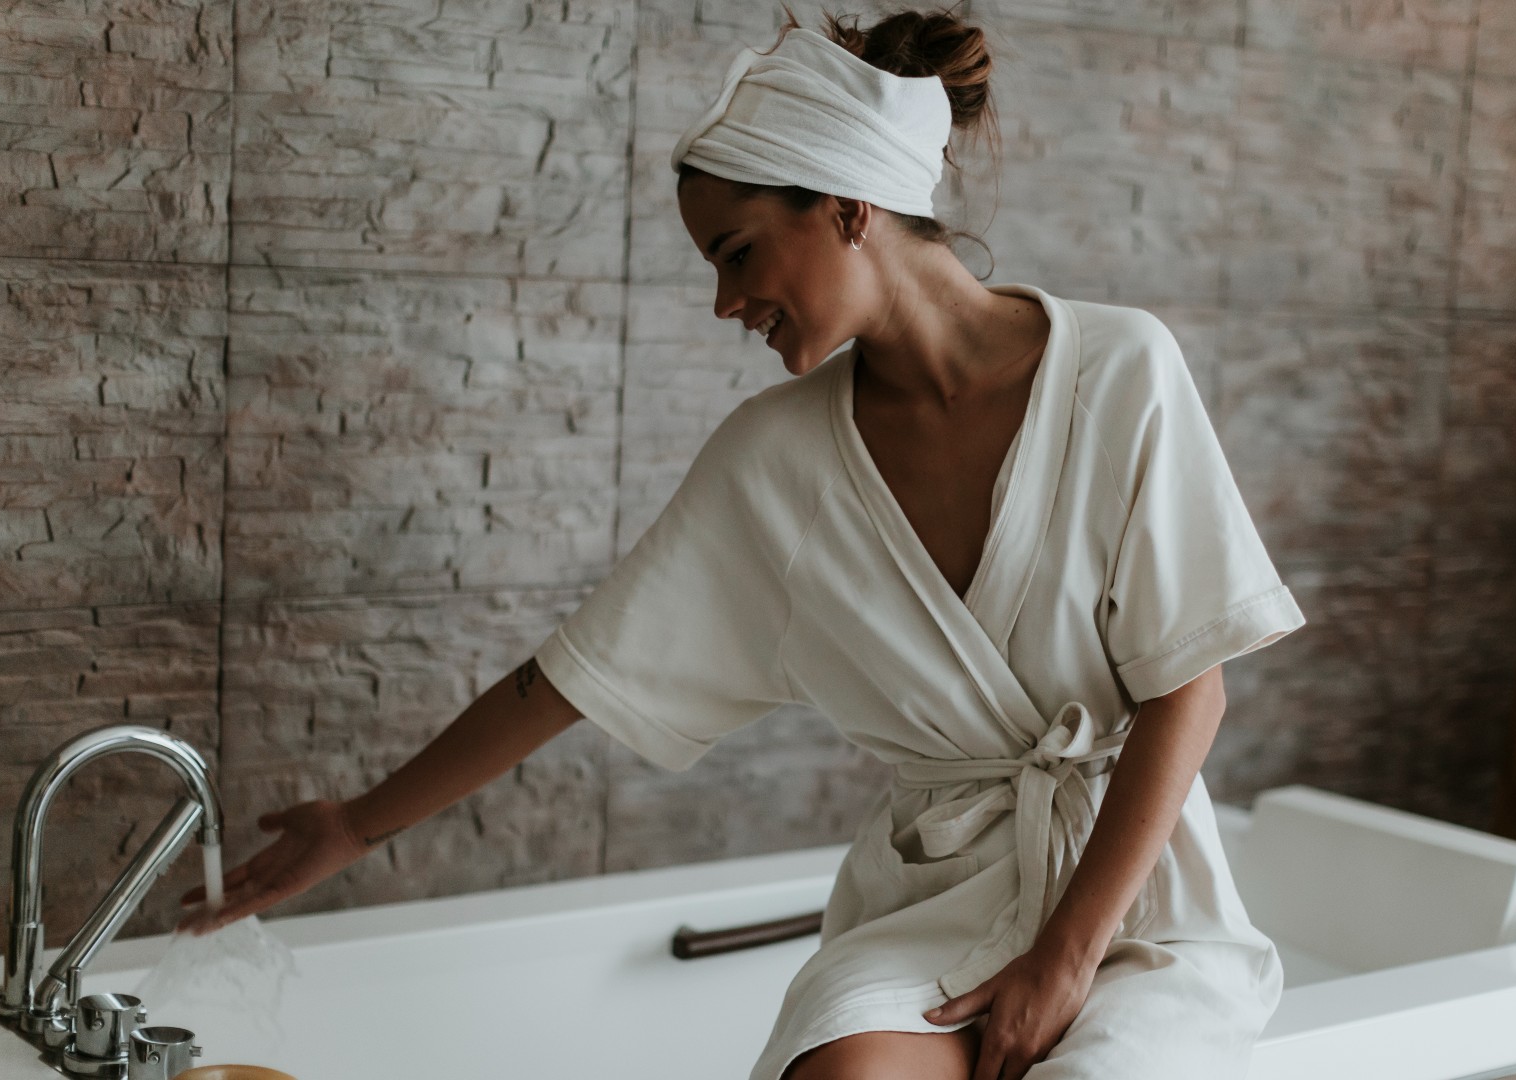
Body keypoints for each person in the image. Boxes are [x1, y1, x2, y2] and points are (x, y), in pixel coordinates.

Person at [179, 8, 1306, 1079]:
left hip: (1135, 903)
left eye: (737, 253)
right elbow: (568, 679)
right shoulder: (775, 462)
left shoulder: (1120, 370)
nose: (726, 303)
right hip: (940, 900)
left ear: (848, 206)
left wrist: (1062, 960)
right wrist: (353, 827)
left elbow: (1188, 692)